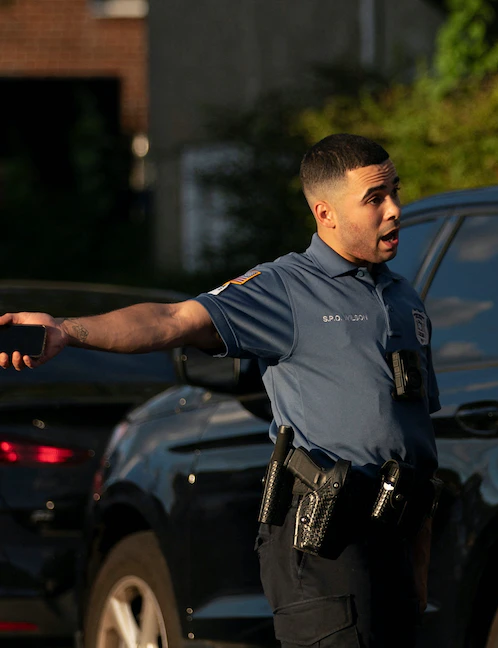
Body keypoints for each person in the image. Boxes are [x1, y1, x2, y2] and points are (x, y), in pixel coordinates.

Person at [0, 133, 440, 648]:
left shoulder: (402, 295)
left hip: (395, 534)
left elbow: (416, 440)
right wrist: (65, 332)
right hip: (325, 542)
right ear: (325, 213)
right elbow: (171, 319)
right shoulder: (285, 288)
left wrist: (418, 565)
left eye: (395, 191)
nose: (394, 210)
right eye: (374, 199)